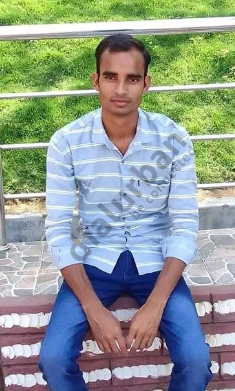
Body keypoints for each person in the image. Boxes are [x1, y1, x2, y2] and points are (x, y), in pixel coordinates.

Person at [38, 33, 212, 391]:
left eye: (132, 78)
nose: (121, 89)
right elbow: (58, 230)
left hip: (155, 261)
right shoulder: (67, 142)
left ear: (146, 83)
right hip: (94, 261)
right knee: (53, 358)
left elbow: (184, 225)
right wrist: (93, 309)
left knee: (196, 360)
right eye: (111, 77)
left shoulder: (174, 139)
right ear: (96, 81)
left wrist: (156, 304)